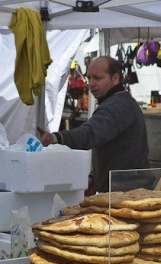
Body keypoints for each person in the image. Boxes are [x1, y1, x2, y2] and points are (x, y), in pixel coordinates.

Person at [38, 56, 149, 194]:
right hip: (125, 188)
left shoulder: (116, 105)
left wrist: (56, 138)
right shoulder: (121, 101)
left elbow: (90, 134)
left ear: (115, 79)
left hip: (127, 192)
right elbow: (115, 149)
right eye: (89, 78)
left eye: (97, 78)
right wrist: (94, 177)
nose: (91, 83)